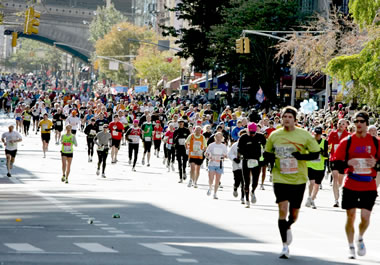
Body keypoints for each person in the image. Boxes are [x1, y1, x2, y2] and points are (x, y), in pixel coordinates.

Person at [264, 106, 320, 259]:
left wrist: (300, 157)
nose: (287, 119)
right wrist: (267, 159)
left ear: (295, 120)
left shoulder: (304, 135)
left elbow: (315, 154)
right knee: (282, 208)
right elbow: (268, 153)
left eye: (290, 117)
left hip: (298, 179)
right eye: (284, 117)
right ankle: (284, 246)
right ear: (281, 119)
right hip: (280, 177)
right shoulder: (275, 135)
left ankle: (288, 225)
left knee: (294, 214)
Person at [331, 111, 379, 259]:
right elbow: (335, 162)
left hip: (368, 185)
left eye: (362, 121)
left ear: (366, 123)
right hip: (351, 183)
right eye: (356, 121)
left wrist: (376, 164)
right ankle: (351, 246)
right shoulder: (347, 141)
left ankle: (360, 238)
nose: (359, 124)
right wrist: (347, 163)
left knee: (365, 217)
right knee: (350, 216)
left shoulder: (376, 142)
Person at [238, 122, 266, 207]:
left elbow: (265, 146)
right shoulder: (243, 137)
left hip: (256, 161)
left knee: (255, 181)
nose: (252, 135)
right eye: (251, 133)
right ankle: (247, 200)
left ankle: (253, 191)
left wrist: (264, 156)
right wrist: (238, 157)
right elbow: (239, 149)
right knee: (246, 181)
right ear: (247, 130)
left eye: (254, 133)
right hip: (246, 160)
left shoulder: (260, 136)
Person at [305, 126, 328, 209]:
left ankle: (312, 199)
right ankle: (309, 196)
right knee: (311, 182)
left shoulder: (325, 142)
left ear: (321, 135)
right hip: (310, 165)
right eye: (315, 134)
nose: (317, 136)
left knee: (317, 185)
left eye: (318, 134)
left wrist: (321, 151)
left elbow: (326, 155)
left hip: (320, 166)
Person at [328, 118, 349, 207]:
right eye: (340, 123)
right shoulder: (332, 133)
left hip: (343, 160)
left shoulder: (348, 135)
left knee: (340, 181)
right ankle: (336, 200)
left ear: (346, 126)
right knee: (335, 178)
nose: (341, 125)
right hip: (334, 158)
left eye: (343, 124)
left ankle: (338, 190)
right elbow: (328, 143)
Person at [205, 132, 228, 199]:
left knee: (217, 180)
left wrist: (225, 156)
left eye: (220, 137)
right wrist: (209, 156)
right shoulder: (211, 145)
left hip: (220, 164)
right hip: (212, 163)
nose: (218, 138)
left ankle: (215, 193)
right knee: (211, 179)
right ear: (215, 138)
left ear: (222, 138)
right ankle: (210, 187)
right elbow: (206, 153)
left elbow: (226, 155)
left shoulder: (223, 146)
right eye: (217, 137)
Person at [228, 129, 246, 203]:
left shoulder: (248, 145)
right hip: (236, 166)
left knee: (244, 182)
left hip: (245, 166)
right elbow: (229, 154)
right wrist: (234, 159)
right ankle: (235, 187)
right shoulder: (235, 145)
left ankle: (242, 197)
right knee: (237, 181)